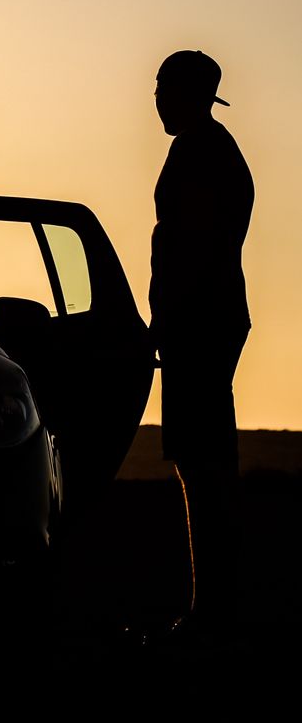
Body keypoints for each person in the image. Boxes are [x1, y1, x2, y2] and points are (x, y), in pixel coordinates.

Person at [148, 49, 254, 647]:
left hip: (200, 322)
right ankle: (213, 609)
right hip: (206, 319)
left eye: (164, 88)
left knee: (205, 466)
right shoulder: (209, 148)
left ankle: (212, 615)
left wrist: (168, 320)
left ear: (189, 93)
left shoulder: (200, 152)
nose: (156, 100)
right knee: (206, 462)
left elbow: (191, 247)